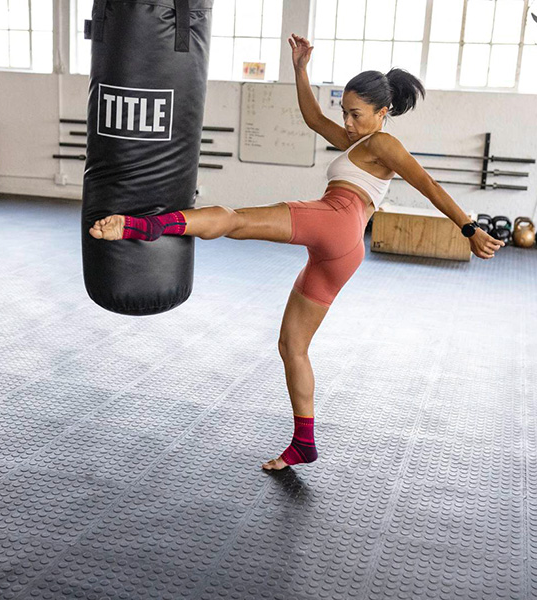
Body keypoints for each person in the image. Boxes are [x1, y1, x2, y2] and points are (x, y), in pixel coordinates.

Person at [89, 33, 505, 471]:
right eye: (344, 111)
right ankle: (303, 442)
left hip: (336, 218)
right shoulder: (359, 141)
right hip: (344, 251)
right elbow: (311, 117)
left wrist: (469, 228)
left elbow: (428, 184)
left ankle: (140, 225)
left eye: (356, 114)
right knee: (292, 346)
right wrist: (300, 68)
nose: (346, 121)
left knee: (236, 219)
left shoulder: (383, 143)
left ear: (383, 113)